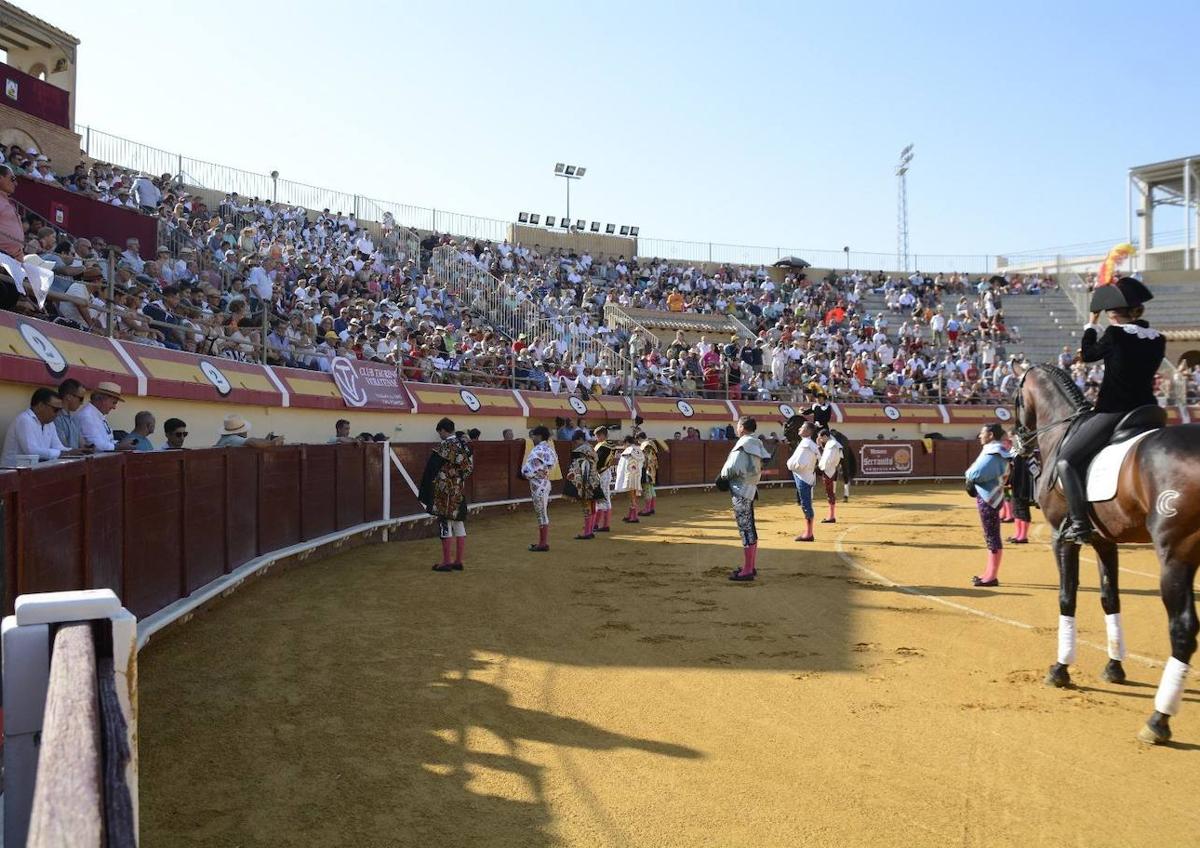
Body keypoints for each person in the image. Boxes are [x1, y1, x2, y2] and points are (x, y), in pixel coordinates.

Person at [1056, 277, 1165, 544]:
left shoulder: (1115, 334)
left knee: (1066, 461)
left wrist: (1091, 324)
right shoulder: (1158, 339)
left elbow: (1089, 354)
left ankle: (1080, 525)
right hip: (1149, 409)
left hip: (1115, 410)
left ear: (1112, 313)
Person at [719, 416, 774, 581]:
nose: (736, 428)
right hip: (751, 488)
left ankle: (748, 570)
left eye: (738, 425)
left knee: (745, 528)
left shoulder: (743, 444)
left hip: (740, 489)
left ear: (742, 427)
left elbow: (731, 467)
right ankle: (750, 566)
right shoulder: (756, 443)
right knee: (750, 527)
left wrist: (722, 477)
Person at [418, 417, 474, 572]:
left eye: (439, 432)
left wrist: (427, 489)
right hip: (458, 490)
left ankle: (446, 561)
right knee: (459, 523)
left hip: (443, 491)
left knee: (444, 523)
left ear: (443, 430)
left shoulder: (445, 446)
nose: (439, 436)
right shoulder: (464, 445)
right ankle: (458, 561)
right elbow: (469, 469)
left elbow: (432, 470)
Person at [966, 423, 1011, 587]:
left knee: (992, 536)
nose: (979, 436)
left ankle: (991, 576)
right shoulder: (997, 451)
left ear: (991, 435)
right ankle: (989, 573)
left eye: (982, 433)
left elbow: (975, 473)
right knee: (991, 535)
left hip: (988, 498)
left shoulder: (994, 453)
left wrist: (968, 474)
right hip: (991, 496)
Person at [1, 387, 91, 465]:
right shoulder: (24, 420)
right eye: (56, 409)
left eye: (60, 410)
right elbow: (32, 451)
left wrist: (77, 452)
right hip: (12, 474)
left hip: (34, 471)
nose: (58, 414)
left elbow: (58, 446)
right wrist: (63, 453)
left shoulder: (49, 423)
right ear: (40, 406)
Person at [521, 425, 557, 552]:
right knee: (542, 513)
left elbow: (527, 471)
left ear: (539, 436)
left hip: (538, 485)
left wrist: (527, 474)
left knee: (541, 514)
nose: (532, 438)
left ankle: (543, 544)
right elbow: (553, 464)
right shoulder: (549, 449)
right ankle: (542, 542)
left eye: (534, 436)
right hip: (545, 483)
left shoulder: (537, 450)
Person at [786, 422, 819, 542]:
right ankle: (808, 532)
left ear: (809, 431)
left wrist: (790, 465)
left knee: (806, 505)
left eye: (802, 427)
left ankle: (809, 534)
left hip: (803, 477)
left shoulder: (806, 444)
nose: (799, 428)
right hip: (806, 476)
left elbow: (800, 464)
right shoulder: (808, 444)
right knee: (806, 504)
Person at [566, 430, 601, 540]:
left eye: (576, 442)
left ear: (580, 439)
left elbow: (579, 468)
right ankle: (590, 530)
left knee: (586, 506)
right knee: (592, 505)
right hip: (595, 481)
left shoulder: (579, 451)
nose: (575, 445)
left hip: (585, 482)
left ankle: (587, 532)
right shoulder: (591, 449)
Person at [77, 381, 124, 452]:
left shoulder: (99, 415)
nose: (114, 407)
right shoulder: (87, 416)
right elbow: (97, 445)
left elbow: (107, 440)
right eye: (113, 403)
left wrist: (120, 443)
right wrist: (119, 446)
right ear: (102, 399)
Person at [592, 426, 620, 532]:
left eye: (597, 436)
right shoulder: (609, 445)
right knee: (606, 499)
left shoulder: (604, 446)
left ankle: (597, 524)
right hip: (605, 472)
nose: (596, 438)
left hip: (602, 474)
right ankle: (605, 524)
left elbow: (598, 461)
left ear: (602, 435)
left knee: (601, 499)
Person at [613, 435, 645, 523]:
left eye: (624, 444)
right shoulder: (638, 449)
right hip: (637, 476)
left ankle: (634, 517)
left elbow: (623, 465)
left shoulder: (628, 450)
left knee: (632, 496)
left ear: (627, 442)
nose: (624, 446)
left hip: (630, 476)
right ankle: (631, 515)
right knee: (633, 495)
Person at [816, 429, 844, 524]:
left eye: (820, 437)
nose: (820, 440)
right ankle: (831, 515)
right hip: (831, 469)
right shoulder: (833, 444)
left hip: (829, 470)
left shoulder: (831, 445)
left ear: (825, 436)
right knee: (830, 493)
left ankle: (831, 516)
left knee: (830, 493)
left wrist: (821, 467)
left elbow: (828, 459)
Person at [54, 378, 87, 449]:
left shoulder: (74, 417)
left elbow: (82, 444)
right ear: (68, 397)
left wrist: (89, 448)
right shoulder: (56, 417)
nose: (82, 403)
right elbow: (63, 447)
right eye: (81, 399)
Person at [638, 438, 660, 516]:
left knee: (647, 491)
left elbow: (644, 464)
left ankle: (647, 509)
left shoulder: (645, 453)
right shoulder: (653, 452)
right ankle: (651, 508)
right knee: (651, 490)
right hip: (652, 473)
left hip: (647, 473)